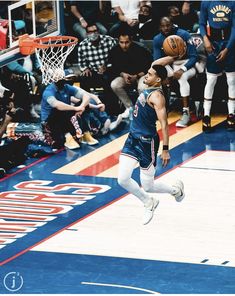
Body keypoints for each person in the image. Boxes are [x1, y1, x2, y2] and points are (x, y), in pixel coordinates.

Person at [118, 64, 185, 225]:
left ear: (158, 79)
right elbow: (160, 63)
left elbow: (164, 124)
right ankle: (149, 202)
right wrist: (171, 57)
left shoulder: (157, 96)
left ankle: (175, 190)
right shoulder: (150, 84)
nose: (146, 76)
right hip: (133, 138)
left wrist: (166, 149)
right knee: (122, 179)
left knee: (148, 185)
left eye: (149, 74)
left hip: (147, 143)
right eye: (147, 73)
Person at [153, 17, 198, 127]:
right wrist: (166, 74)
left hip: (188, 64)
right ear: (159, 27)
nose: (166, 28)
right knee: (156, 75)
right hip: (171, 65)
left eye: (168, 25)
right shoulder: (157, 39)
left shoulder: (184, 34)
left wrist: (182, 69)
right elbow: (158, 61)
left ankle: (186, 112)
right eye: (163, 26)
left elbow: (194, 57)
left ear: (172, 24)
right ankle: (162, 108)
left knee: (181, 77)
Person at [199, 0, 235, 132]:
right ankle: (206, 115)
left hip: (229, 43)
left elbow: (234, 28)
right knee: (211, 80)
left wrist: (228, 49)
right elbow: (202, 24)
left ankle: (231, 114)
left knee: (231, 80)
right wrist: (205, 39)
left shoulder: (232, 3)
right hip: (213, 43)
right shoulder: (206, 2)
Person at [41, 69, 97, 150]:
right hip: (50, 121)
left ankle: (85, 133)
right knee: (58, 110)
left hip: (63, 116)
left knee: (86, 104)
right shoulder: (49, 91)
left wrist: (82, 106)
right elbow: (57, 105)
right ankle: (67, 137)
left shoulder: (66, 87)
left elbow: (86, 96)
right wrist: (76, 108)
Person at [108, 26, 153, 118]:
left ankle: (144, 109)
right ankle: (130, 108)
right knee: (115, 85)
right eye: (121, 42)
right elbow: (114, 68)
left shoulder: (141, 49)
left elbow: (149, 67)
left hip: (141, 75)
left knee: (142, 88)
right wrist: (123, 74)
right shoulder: (114, 50)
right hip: (126, 76)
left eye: (127, 42)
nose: (124, 45)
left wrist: (136, 76)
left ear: (131, 40)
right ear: (118, 41)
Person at [77, 23, 120, 115]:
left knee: (109, 79)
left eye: (95, 31)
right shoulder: (82, 45)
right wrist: (85, 69)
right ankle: (88, 107)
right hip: (94, 72)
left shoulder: (109, 41)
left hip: (109, 70)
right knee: (83, 79)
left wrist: (107, 66)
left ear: (99, 31)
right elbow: (82, 64)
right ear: (87, 33)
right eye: (90, 32)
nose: (93, 34)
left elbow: (117, 58)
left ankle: (112, 111)